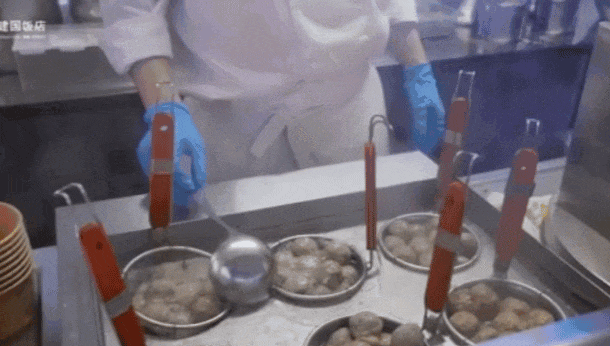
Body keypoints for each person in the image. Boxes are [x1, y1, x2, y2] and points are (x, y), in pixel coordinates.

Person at [99, 0, 446, 206]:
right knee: (240, 268)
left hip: (349, 116)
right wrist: (165, 106)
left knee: (362, 246)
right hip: (233, 127)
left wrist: (418, 68)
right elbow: (132, 10)